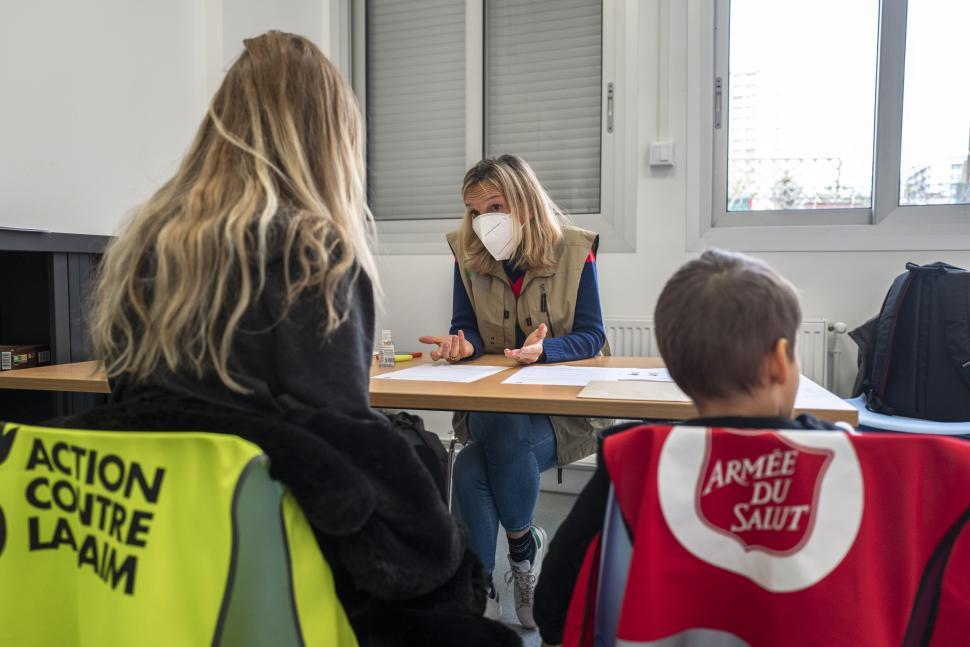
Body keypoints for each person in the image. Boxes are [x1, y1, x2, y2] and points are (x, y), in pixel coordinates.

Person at [55, 31, 518, 647]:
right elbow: (336, 441)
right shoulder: (315, 253)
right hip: (278, 537)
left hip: (154, 534)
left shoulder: (142, 246)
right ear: (331, 139)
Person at [533, 248, 854, 647]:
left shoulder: (637, 459)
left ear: (676, 370)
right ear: (780, 362)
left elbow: (555, 592)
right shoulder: (842, 456)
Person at [419, 155, 608, 628]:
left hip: (556, 414)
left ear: (523, 203)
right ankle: (521, 558)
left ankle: (483, 591)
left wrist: (545, 351)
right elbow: (467, 330)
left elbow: (591, 335)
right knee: (500, 420)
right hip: (491, 406)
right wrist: (460, 346)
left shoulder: (573, 250)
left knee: (468, 466)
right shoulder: (466, 254)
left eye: (496, 206)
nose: (485, 221)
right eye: (475, 211)